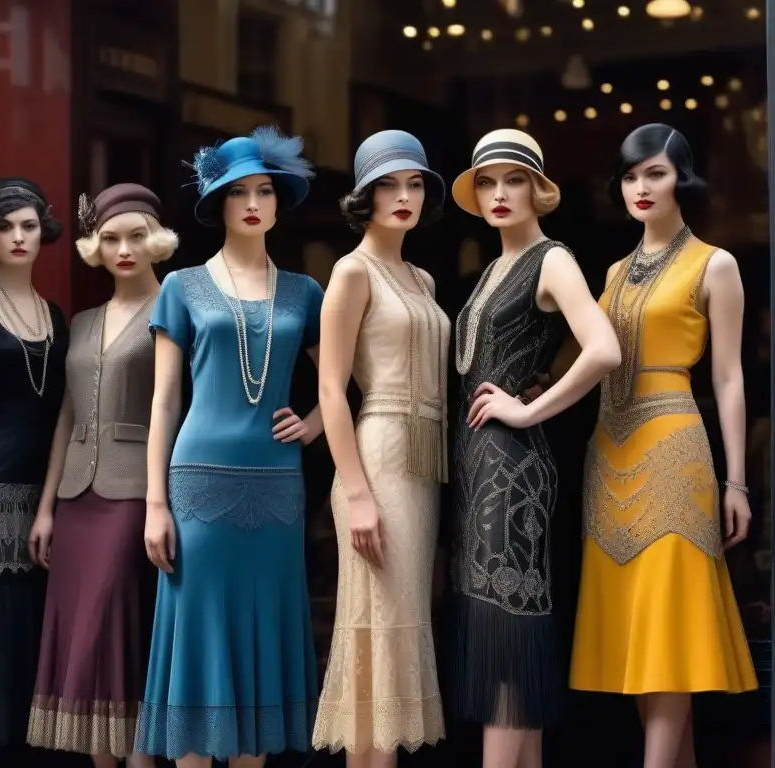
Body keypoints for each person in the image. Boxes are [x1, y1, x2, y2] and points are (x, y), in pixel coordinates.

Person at [569, 123, 758, 768]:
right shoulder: (614, 272)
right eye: (630, 176)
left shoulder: (715, 264)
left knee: (670, 636)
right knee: (636, 640)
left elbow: (729, 379)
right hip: (609, 453)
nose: (641, 187)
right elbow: (583, 356)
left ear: (683, 178)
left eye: (656, 173)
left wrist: (737, 483)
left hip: (676, 451)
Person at [135, 126, 324, 768]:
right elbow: (163, 402)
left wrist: (317, 423)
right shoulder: (181, 287)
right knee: (200, 645)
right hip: (197, 487)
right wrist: (154, 504)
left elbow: (349, 383)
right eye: (237, 190)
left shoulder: (306, 291)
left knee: (260, 649)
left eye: (264, 190)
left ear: (278, 202)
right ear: (217, 201)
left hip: (278, 487)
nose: (252, 202)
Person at [446, 129, 621, 768]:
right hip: (479, 466)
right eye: (487, 183)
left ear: (537, 190)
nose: (498, 194)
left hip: (513, 471)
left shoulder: (553, 259)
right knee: (504, 653)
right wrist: (540, 380)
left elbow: (604, 348)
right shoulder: (495, 266)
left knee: (508, 650)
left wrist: (528, 408)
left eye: (512, 180)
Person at [27, 183, 178, 766]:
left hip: (135, 494)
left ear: (156, 241)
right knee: (83, 652)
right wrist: (45, 508)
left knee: (113, 635)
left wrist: (163, 501)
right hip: (75, 500)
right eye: (110, 238)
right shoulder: (84, 321)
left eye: (136, 236)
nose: (123, 249)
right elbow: (65, 415)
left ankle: (139, 757)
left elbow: (175, 407)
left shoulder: (175, 309)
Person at [311, 130, 449, 767]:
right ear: (363, 196)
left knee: (398, 637)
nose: (404, 196)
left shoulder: (419, 275)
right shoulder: (351, 270)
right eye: (388, 184)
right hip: (378, 461)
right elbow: (332, 391)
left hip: (422, 468)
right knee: (374, 636)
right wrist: (359, 494)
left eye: (415, 183)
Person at [0, 177, 69, 766]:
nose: (18, 236)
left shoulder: (54, 313)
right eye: (5, 226)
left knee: (38, 617)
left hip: (51, 486)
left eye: (28, 224)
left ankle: (40, 750)